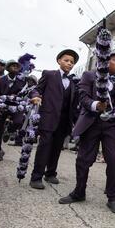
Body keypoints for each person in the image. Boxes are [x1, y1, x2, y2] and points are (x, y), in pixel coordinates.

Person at [58, 51, 115, 215]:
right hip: (92, 123)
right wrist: (96, 104)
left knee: (114, 161)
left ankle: (113, 198)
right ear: (105, 60)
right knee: (83, 159)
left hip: (112, 126)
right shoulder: (89, 75)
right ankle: (79, 192)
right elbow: (82, 97)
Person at [29, 49, 80, 189]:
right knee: (44, 146)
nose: (69, 63)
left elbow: (74, 104)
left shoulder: (74, 81)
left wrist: (76, 122)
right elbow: (37, 89)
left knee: (57, 147)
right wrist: (35, 96)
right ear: (59, 61)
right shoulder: (49, 74)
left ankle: (50, 173)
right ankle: (36, 177)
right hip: (48, 117)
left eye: (72, 62)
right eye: (66, 60)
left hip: (64, 120)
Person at [0, 60, 27, 161]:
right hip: (2, 106)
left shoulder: (22, 82)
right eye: (13, 66)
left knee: (18, 121)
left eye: (17, 66)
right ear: (7, 68)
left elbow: (23, 97)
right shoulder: (0, 80)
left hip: (16, 107)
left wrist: (19, 100)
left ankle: (9, 131)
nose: (15, 67)